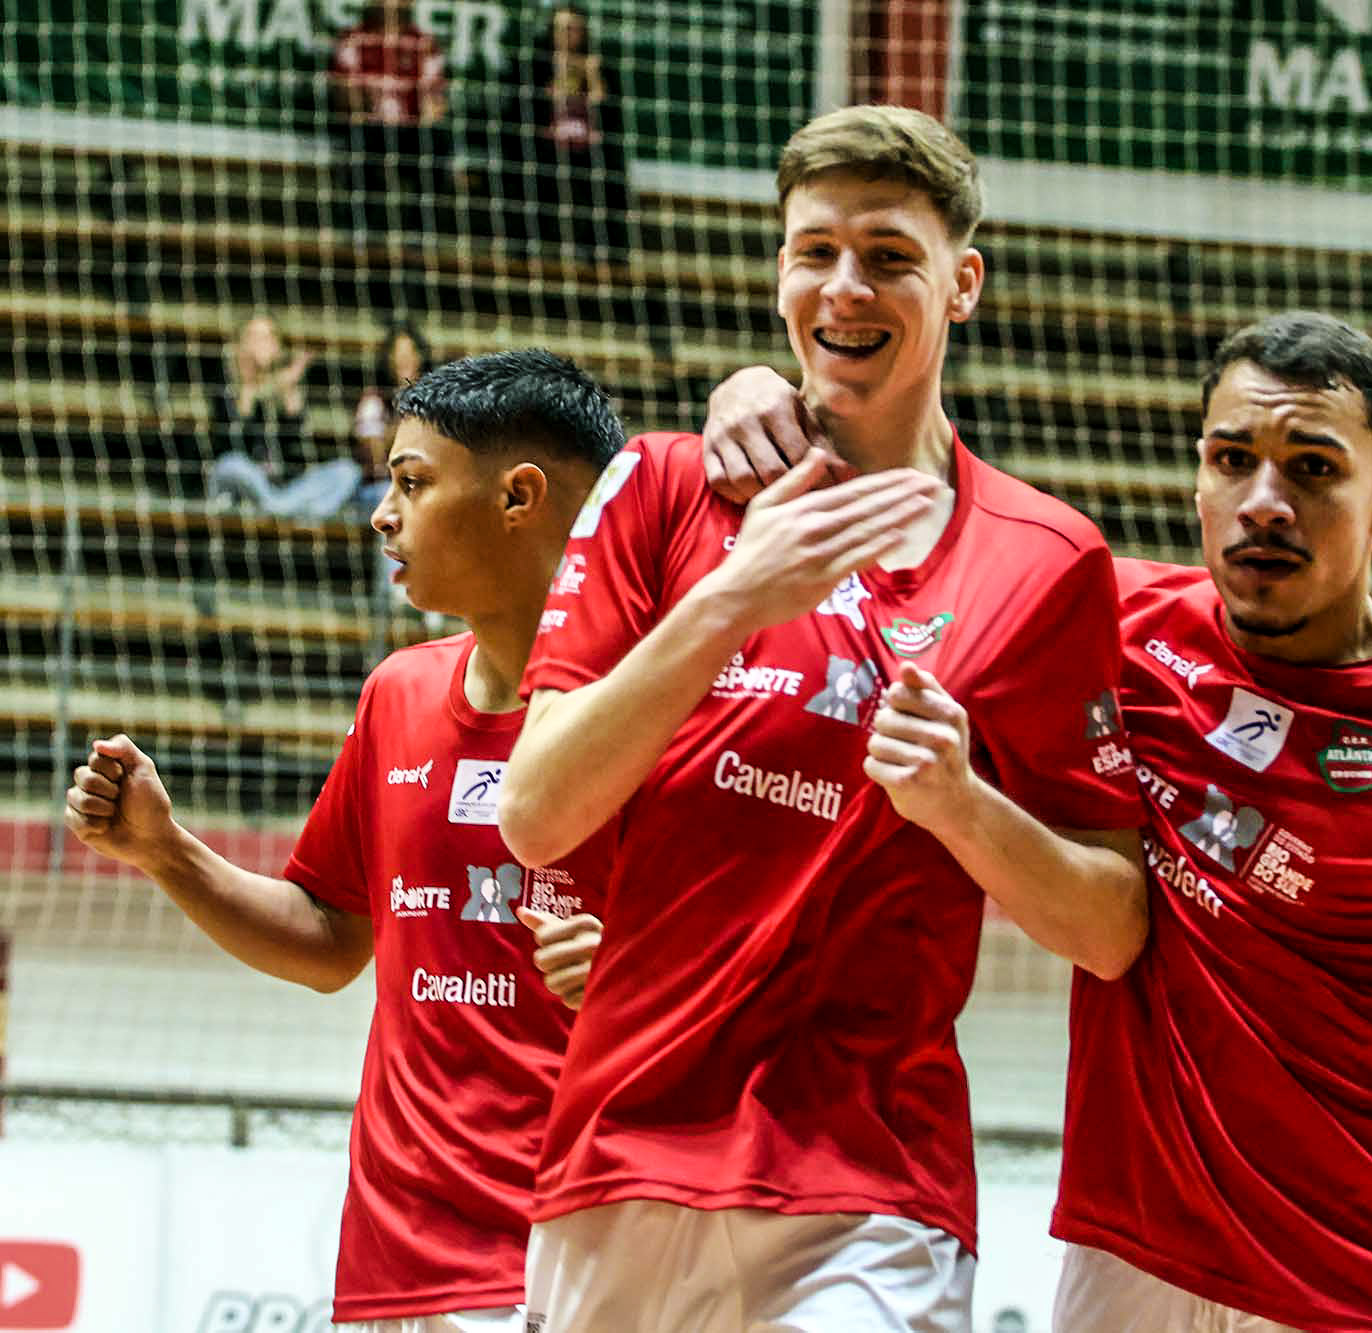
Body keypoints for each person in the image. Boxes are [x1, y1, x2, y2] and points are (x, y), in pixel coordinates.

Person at [701, 312, 1372, 1333]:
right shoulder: (1108, 624)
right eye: (1233, 459)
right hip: (1119, 1266)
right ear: (1197, 474)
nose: (1264, 502)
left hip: (1351, 1294)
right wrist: (764, 400)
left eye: (1314, 469)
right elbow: (911, 560)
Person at [496, 105, 1149, 1332]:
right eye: (815, 252)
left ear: (961, 284)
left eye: (889, 257)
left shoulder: (1047, 558)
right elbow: (533, 813)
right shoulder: (664, 485)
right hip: (620, 1148)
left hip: (871, 1184)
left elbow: (1111, 929)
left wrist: (960, 806)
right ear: (778, 271)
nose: (845, 287)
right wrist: (731, 598)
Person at [65, 348, 624, 1332]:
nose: (381, 513)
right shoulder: (396, 695)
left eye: (412, 482)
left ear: (518, 497)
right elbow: (328, 940)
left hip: (590, 1255)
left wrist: (632, 970)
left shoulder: (657, 712)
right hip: (397, 1264)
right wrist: (165, 849)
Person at [205, 313, 363, 518]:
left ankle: (281, 508)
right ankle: (290, 511)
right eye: (255, 337)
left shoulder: (285, 385)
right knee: (235, 465)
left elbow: (293, 447)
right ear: (240, 344)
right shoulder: (225, 383)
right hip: (239, 482)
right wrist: (249, 384)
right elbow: (234, 443)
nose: (263, 343)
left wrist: (289, 392)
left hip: (278, 489)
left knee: (348, 471)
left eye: (269, 337)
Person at [507, 4, 631, 265]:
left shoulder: (599, 66)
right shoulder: (535, 65)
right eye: (561, 28)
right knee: (534, 170)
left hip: (588, 145)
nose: (567, 34)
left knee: (610, 177)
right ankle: (524, 248)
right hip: (547, 142)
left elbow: (609, 112)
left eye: (573, 29)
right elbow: (523, 109)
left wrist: (593, 77)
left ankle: (605, 254)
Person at [327, 0, 452, 236]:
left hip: (409, 130)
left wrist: (429, 110)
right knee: (360, 142)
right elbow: (344, 94)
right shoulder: (354, 38)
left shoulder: (423, 43)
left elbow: (435, 100)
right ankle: (359, 225)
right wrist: (361, 105)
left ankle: (419, 229)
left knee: (436, 145)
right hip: (369, 125)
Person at [353, 321, 432, 514]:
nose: (403, 359)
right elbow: (376, 457)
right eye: (397, 353)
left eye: (409, 352)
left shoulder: (433, 398)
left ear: (419, 357)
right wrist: (403, 416)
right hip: (380, 487)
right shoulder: (374, 401)